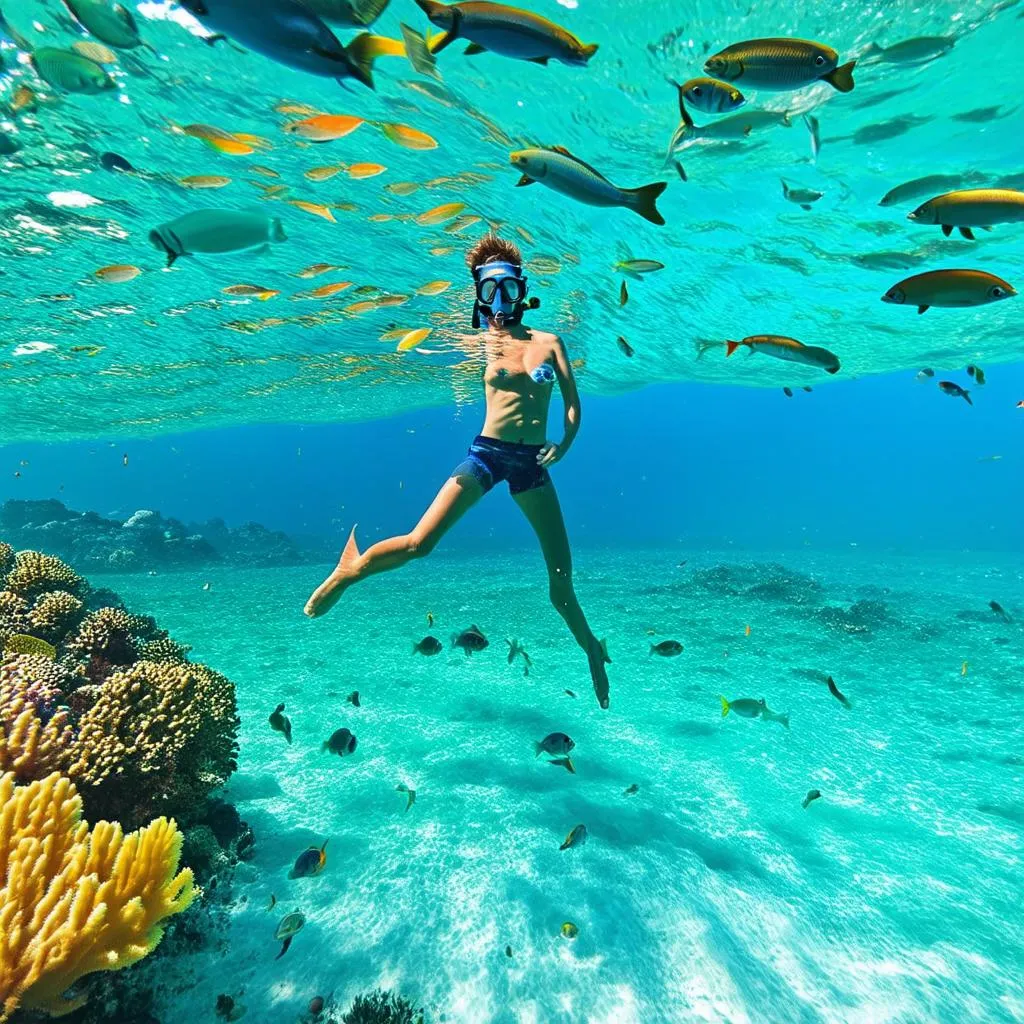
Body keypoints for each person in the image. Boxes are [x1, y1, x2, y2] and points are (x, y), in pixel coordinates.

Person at [304, 232, 610, 708]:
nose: (500, 301)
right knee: (418, 544)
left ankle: (590, 648)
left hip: (533, 462)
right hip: (486, 453)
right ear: (479, 293)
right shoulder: (479, 342)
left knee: (560, 579)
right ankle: (351, 570)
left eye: (507, 288)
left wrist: (565, 444)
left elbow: (573, 405)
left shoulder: (551, 341)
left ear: (521, 288)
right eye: (489, 291)